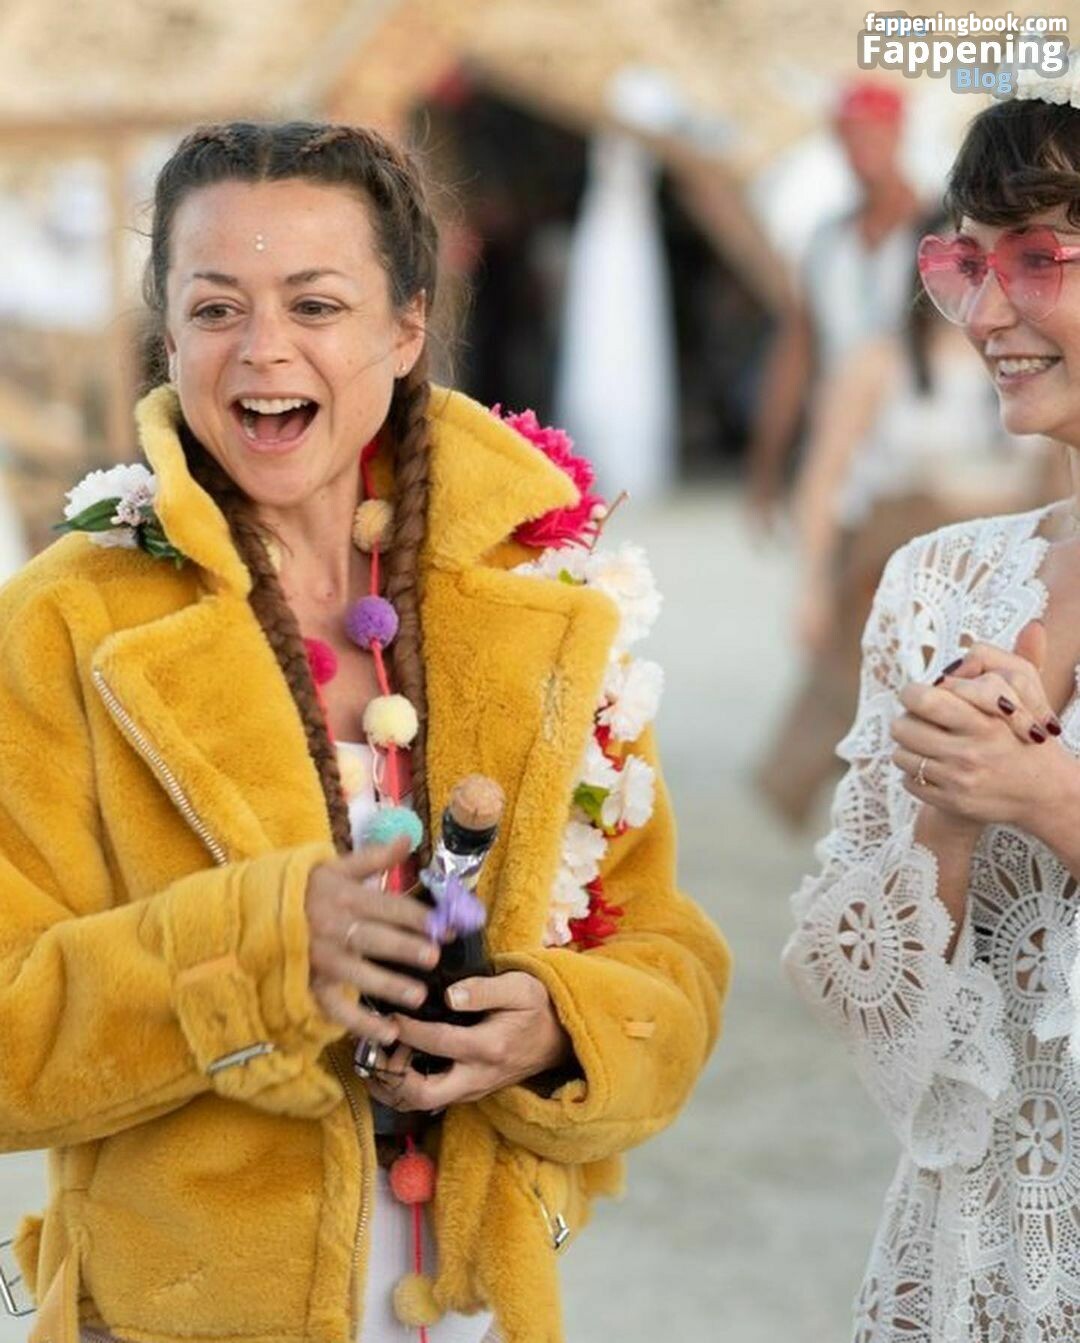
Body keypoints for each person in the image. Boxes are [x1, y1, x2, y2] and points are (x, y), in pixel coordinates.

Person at [0, 121, 730, 1343]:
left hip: (478, 1306)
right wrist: (259, 948)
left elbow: (668, 953)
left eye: (316, 303)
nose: (263, 348)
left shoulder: (538, 603)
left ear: (405, 327)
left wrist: (559, 1021)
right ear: (167, 335)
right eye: (216, 308)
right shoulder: (67, 623)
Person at [783, 72, 1080, 1340]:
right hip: (975, 1256)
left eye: (1038, 259)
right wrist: (947, 822)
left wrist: (1051, 799)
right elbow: (871, 1006)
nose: (987, 313)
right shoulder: (941, 585)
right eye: (966, 264)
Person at [755, 230, 1053, 827]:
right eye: (962, 265)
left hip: (1005, 569)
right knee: (884, 726)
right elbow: (823, 477)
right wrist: (812, 585)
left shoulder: (1035, 356)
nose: (980, 286)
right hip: (898, 564)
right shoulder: (880, 360)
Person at [746, 79, 923, 524]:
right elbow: (796, 353)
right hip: (844, 444)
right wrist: (766, 464)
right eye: (851, 135)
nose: (862, 148)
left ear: (898, 134)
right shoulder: (825, 243)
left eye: (873, 133)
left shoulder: (939, 228)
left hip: (924, 439)